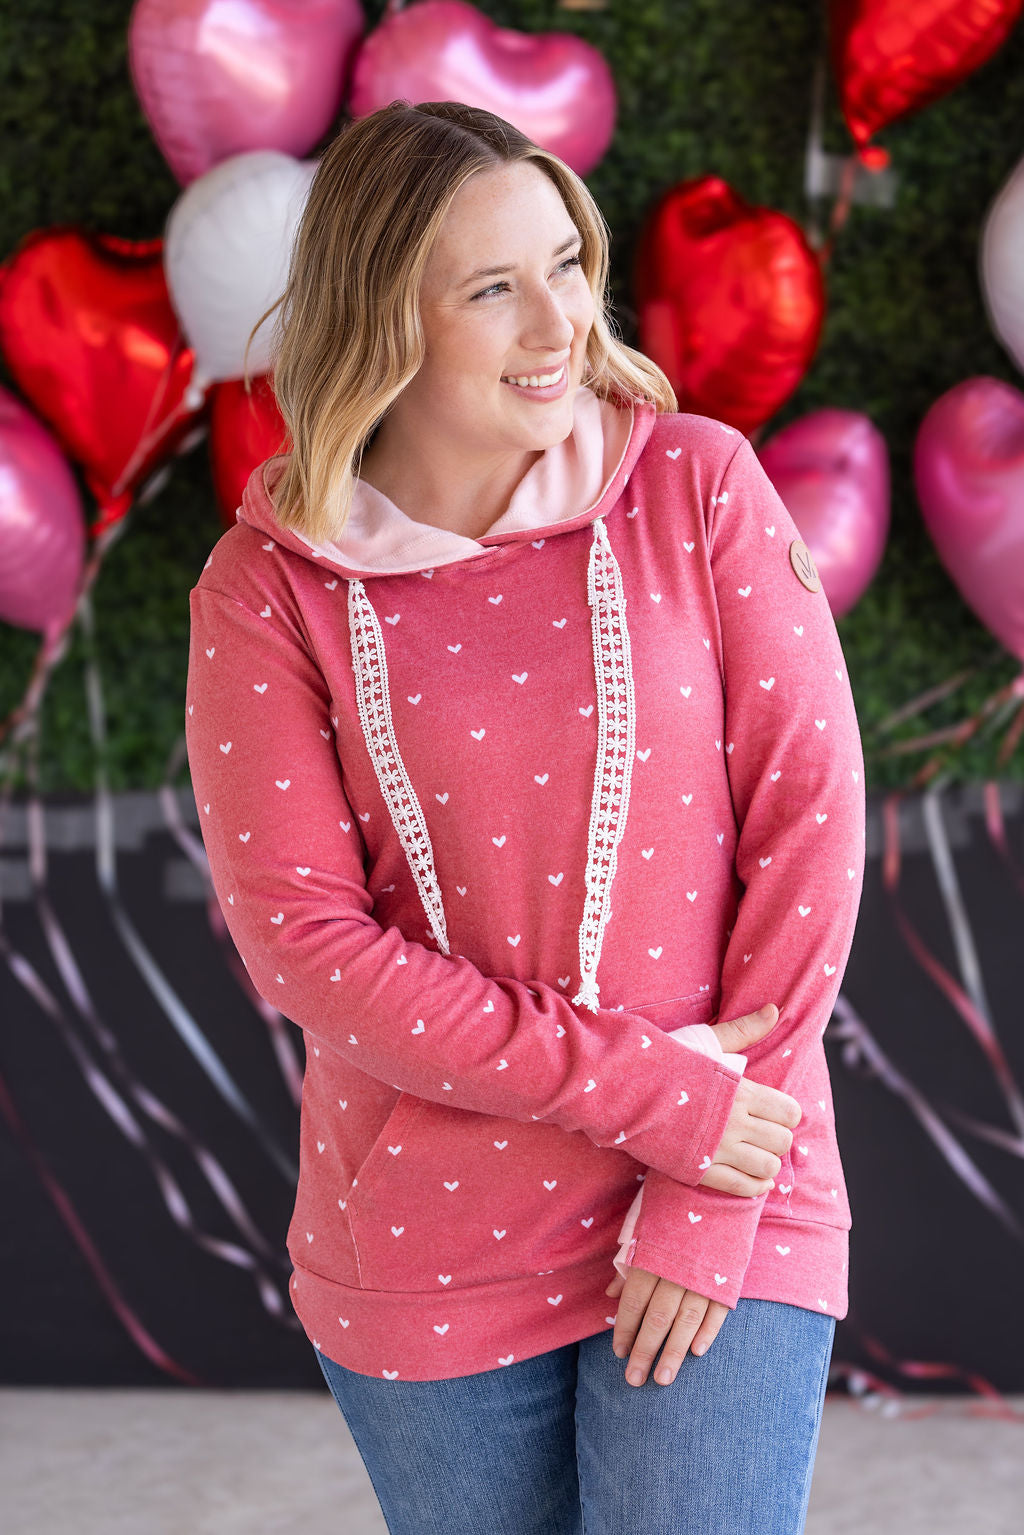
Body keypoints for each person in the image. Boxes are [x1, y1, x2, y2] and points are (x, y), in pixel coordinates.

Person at [184, 100, 865, 1535]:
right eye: (494, 288)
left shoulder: (696, 485)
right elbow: (305, 945)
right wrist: (649, 1093)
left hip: (736, 1173)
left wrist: (708, 1175)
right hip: (427, 1237)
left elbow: (810, 829)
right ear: (386, 319)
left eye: (567, 264)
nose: (561, 324)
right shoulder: (271, 590)